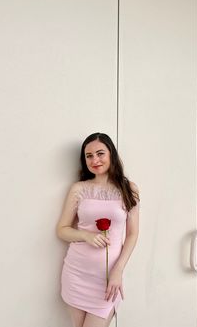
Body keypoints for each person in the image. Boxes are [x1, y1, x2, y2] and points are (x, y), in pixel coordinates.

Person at [56, 132, 140, 327]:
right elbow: (62, 229)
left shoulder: (130, 189)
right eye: (89, 156)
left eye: (100, 153)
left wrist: (118, 270)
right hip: (76, 273)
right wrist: (85, 235)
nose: (95, 160)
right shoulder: (79, 189)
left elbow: (133, 234)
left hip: (108, 278)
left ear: (111, 154)